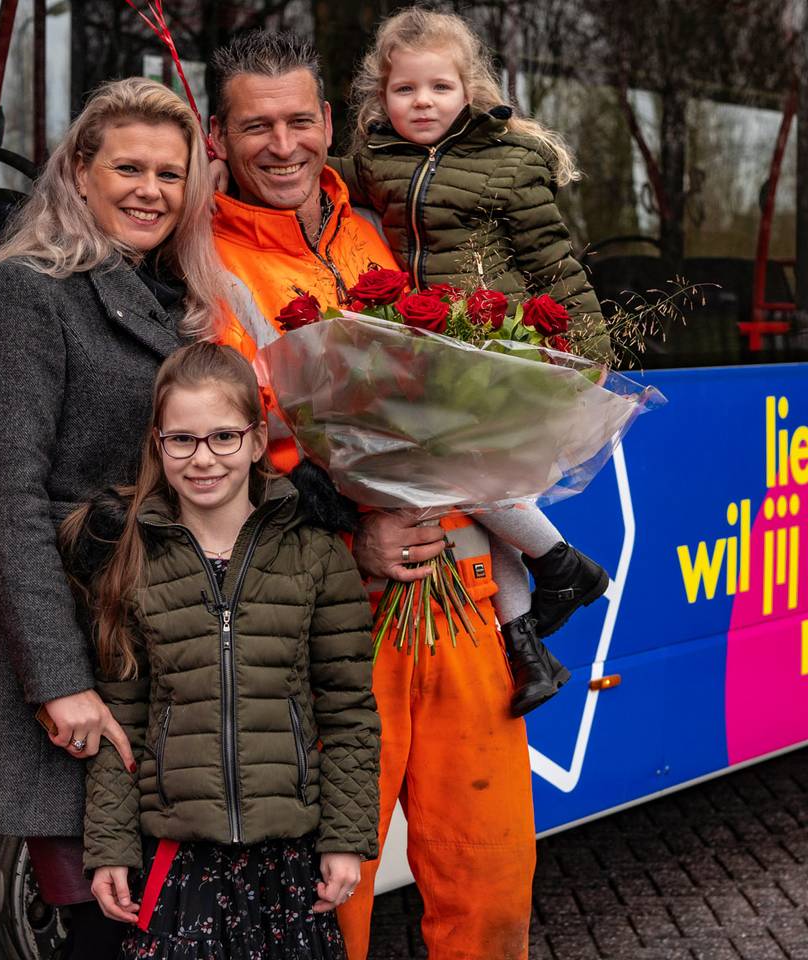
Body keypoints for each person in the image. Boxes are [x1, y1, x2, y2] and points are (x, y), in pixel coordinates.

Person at [207, 29, 537, 960]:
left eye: (300, 120)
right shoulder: (205, 263)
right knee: (325, 900)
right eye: (256, 126)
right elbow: (216, 460)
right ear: (218, 139)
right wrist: (350, 537)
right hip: (332, 626)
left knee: (492, 881)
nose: (284, 146)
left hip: (459, 596)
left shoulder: (376, 227)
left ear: (328, 121)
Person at [0, 78, 255, 959]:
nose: (150, 190)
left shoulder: (178, 295)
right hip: (87, 659)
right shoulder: (19, 296)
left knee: (170, 923)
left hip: (170, 654)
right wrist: (57, 682)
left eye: (171, 173)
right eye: (128, 166)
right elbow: (7, 508)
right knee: (109, 925)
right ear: (78, 173)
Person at [335, 6, 613, 716]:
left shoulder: (508, 163)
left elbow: (555, 260)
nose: (421, 103)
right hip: (431, 349)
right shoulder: (378, 157)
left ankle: (562, 564)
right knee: (472, 503)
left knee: (458, 475)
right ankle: (528, 649)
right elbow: (331, 182)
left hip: (497, 348)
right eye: (404, 91)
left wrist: (590, 347)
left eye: (438, 88)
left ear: (469, 92)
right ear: (379, 96)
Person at [61, 341, 380, 958]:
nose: (202, 459)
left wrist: (346, 838)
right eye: (182, 440)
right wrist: (110, 848)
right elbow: (120, 721)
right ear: (159, 445)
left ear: (258, 441)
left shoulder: (316, 557)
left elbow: (349, 714)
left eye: (223, 438)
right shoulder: (133, 563)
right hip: (180, 864)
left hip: (289, 860)